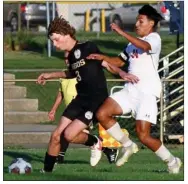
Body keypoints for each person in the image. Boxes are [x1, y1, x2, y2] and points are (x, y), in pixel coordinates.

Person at [87, 5, 182, 174]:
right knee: (102, 114)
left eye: (141, 21)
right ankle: (127, 145)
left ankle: (172, 161)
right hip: (130, 90)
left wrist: (122, 32)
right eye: (137, 20)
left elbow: (145, 46)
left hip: (146, 93)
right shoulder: (131, 47)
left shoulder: (154, 39)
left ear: (151, 23)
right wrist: (101, 57)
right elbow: (118, 61)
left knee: (144, 136)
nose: (137, 24)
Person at [36, 17, 138, 173]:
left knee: (69, 135)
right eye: (53, 42)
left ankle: (95, 141)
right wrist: (50, 75)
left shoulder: (88, 47)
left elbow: (106, 63)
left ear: (65, 34)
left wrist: (122, 73)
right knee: (57, 135)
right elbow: (71, 73)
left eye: (56, 40)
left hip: (95, 100)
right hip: (80, 99)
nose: (55, 45)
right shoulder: (70, 56)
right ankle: (46, 173)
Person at [48, 52, 120, 164]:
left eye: (69, 58)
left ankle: (60, 157)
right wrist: (53, 109)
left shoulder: (86, 66)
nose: (67, 60)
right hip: (73, 106)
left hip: (88, 107)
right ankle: (106, 149)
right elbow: (61, 93)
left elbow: (108, 66)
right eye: (65, 58)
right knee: (62, 133)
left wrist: (122, 73)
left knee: (69, 134)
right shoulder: (67, 74)